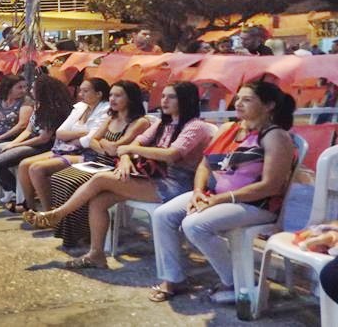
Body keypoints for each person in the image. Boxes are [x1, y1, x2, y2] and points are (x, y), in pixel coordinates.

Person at [26, 82, 214, 272]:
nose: (164, 100)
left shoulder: (195, 126)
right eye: (163, 96)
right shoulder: (161, 123)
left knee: (101, 179)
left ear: (186, 100)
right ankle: (96, 255)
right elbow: (131, 145)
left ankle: (58, 214)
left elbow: (171, 155)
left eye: (171, 97)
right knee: (98, 201)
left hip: (176, 184)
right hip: (153, 176)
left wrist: (128, 150)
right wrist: (125, 158)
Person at [149, 81, 295, 304]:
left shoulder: (275, 136)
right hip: (216, 196)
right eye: (238, 98)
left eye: (247, 100)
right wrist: (198, 192)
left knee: (194, 225)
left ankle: (236, 281)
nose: (238, 103)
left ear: (269, 106)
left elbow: (271, 186)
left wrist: (221, 199)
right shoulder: (228, 129)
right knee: (163, 215)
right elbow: (204, 165)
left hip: (256, 204)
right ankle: (174, 278)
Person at [28, 81, 151, 248]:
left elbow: (117, 148)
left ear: (130, 98)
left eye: (118, 95)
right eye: (111, 95)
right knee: (60, 178)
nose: (112, 99)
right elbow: (93, 140)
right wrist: (105, 146)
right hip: (99, 161)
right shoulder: (111, 117)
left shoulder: (140, 122)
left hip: (116, 165)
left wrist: (103, 144)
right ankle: (65, 227)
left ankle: (79, 231)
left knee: (73, 182)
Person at [16, 78, 111, 212]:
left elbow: (91, 138)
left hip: (87, 153)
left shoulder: (106, 110)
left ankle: (49, 212)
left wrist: (75, 137)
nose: (80, 94)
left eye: (85, 91)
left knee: (36, 169)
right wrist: (81, 134)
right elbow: (60, 132)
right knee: (24, 165)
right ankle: (30, 208)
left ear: (99, 94)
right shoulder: (80, 107)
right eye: (80, 91)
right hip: (65, 148)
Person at [0, 75, 74, 208]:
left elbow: (43, 138)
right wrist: (12, 144)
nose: (29, 91)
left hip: (42, 146)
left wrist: (17, 145)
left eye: (33, 88)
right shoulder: (38, 106)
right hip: (30, 141)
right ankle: (17, 193)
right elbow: (28, 130)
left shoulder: (54, 109)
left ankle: (21, 196)